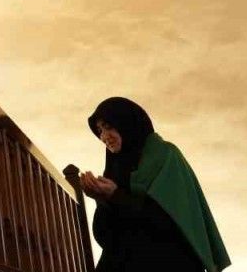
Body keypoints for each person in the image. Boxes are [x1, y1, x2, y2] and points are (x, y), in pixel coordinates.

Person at [79, 97, 230, 272]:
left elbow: (166, 222)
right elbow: (107, 238)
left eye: (108, 127)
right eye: (100, 131)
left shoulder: (166, 156)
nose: (104, 137)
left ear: (126, 123)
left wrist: (116, 195)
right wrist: (102, 200)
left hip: (171, 260)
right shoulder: (116, 169)